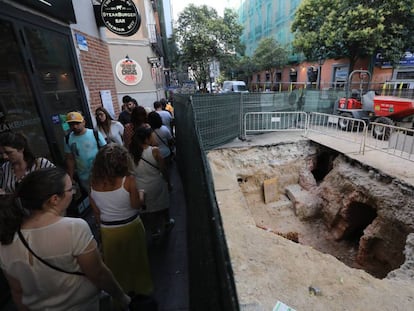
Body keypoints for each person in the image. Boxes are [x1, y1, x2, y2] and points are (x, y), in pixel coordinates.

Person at [0, 167, 131, 310]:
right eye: (71, 189)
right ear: (54, 199)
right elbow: (98, 273)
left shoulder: (5, 240)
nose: (73, 192)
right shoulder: (74, 228)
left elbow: (18, 292)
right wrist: (122, 297)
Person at [89, 144, 153, 298]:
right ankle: (142, 291)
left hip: (108, 231)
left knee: (116, 265)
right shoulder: (128, 180)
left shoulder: (92, 183)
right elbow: (136, 205)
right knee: (138, 261)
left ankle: (122, 295)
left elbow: (96, 214)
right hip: (131, 226)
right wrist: (142, 194)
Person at [130, 127, 174, 239]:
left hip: (141, 186)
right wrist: (168, 182)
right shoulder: (154, 151)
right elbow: (163, 169)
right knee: (163, 204)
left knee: (148, 210)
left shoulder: (131, 154)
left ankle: (154, 231)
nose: (153, 137)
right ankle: (167, 221)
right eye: (151, 136)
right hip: (157, 183)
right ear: (146, 139)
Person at [64, 111, 106, 193]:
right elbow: (70, 159)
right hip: (84, 176)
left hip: (101, 173)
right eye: (72, 124)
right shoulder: (68, 138)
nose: (75, 126)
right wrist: (71, 177)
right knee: (92, 197)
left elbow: (106, 151)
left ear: (83, 122)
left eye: (77, 123)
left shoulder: (94, 134)